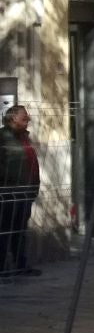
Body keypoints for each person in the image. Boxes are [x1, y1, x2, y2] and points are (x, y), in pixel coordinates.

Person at [0, 105, 40, 277]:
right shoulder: (2, 137)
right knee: (4, 230)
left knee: (20, 231)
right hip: (7, 193)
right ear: (12, 118)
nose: (28, 119)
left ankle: (20, 265)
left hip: (25, 192)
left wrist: (33, 188)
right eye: (24, 117)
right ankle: (2, 268)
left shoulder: (25, 137)